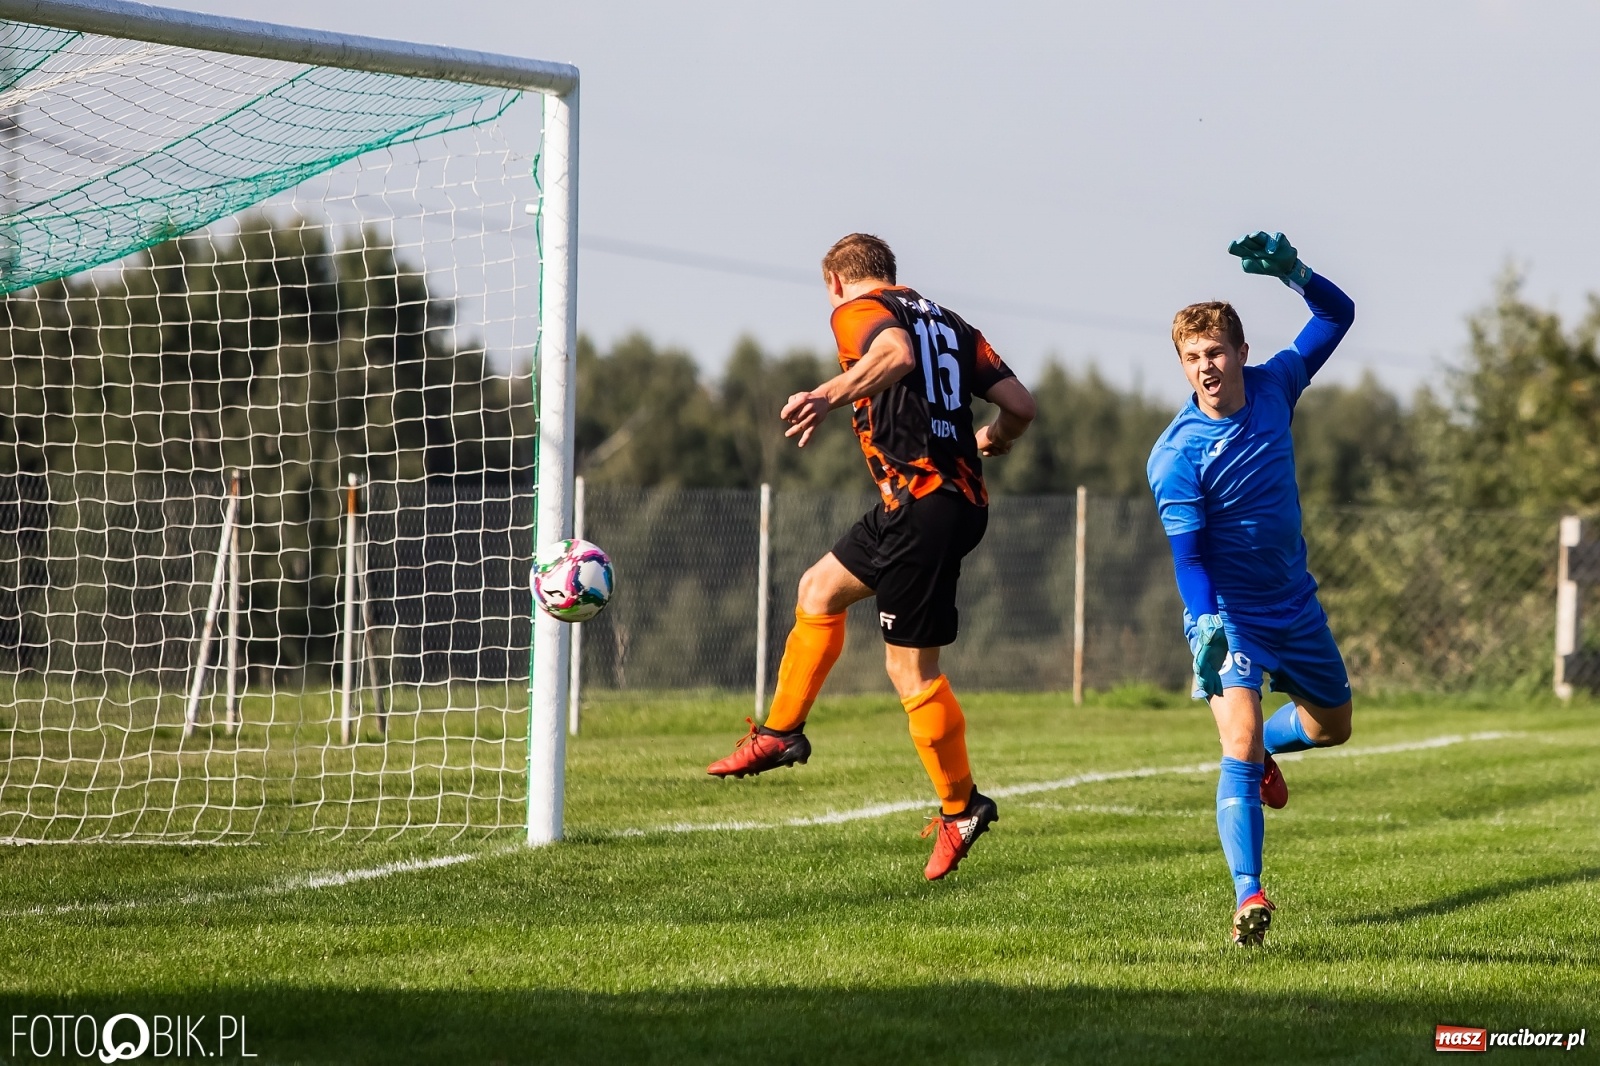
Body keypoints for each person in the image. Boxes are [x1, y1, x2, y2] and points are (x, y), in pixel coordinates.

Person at [706, 232, 1037, 881]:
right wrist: (991, 440)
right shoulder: (952, 320)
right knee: (819, 590)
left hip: (925, 504)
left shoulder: (856, 311)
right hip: (928, 502)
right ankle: (780, 731)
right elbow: (1021, 406)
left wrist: (828, 396)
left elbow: (894, 350)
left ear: (836, 280)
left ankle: (961, 806)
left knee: (911, 672)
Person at [1146, 231, 1357, 945]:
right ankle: (1249, 896)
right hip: (1229, 619)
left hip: (1295, 603)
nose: (1205, 367)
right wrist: (1204, 621)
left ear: (1239, 353)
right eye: (1191, 357)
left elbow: (1337, 315)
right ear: (1183, 365)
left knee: (1333, 727)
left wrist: (1296, 273)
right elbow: (1189, 557)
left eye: (1215, 352)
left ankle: (1268, 752)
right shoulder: (1175, 456)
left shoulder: (1275, 386)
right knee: (1236, 741)